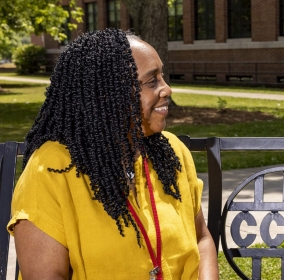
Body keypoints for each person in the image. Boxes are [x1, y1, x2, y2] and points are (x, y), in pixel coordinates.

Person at [6, 29, 219, 279]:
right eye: (152, 81)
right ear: (107, 94)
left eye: (163, 77)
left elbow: (201, 238)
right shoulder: (51, 168)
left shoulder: (171, 151)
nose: (167, 89)